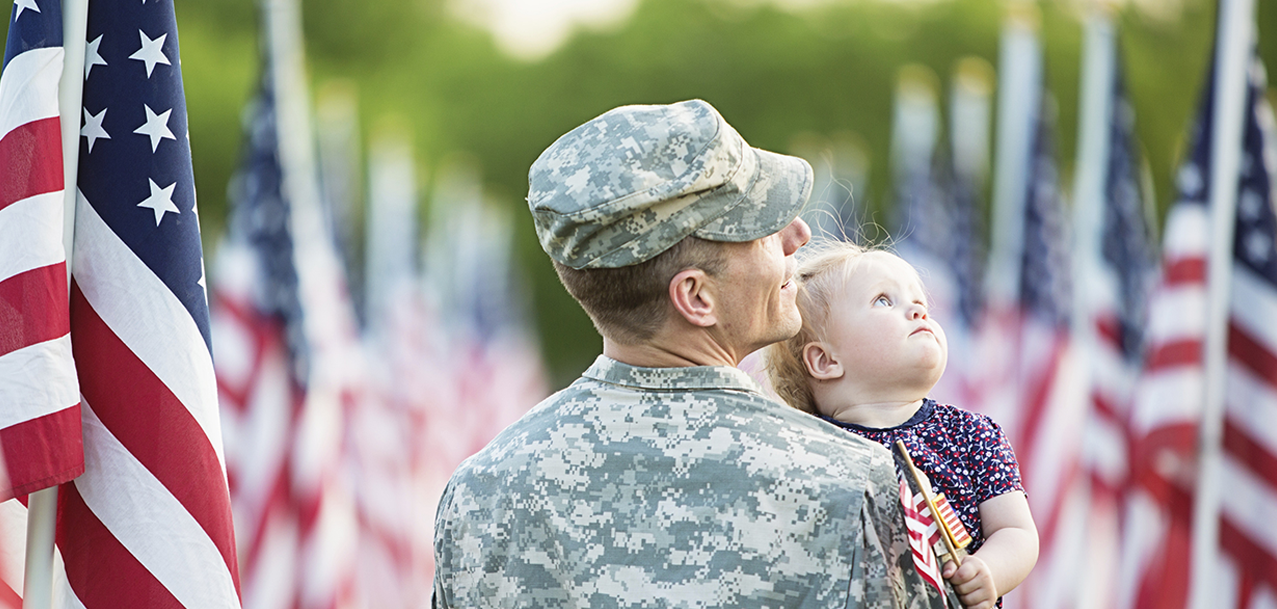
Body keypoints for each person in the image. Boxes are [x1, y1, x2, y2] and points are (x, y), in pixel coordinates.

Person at [431, 99, 955, 608]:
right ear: (696, 297)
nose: (799, 234)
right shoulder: (853, 482)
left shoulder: (479, 492)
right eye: (761, 230)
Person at [764, 240, 1039, 609]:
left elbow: (1016, 531)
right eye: (883, 300)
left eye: (920, 303)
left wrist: (988, 570)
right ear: (826, 361)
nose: (917, 311)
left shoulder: (972, 433)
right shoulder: (808, 450)